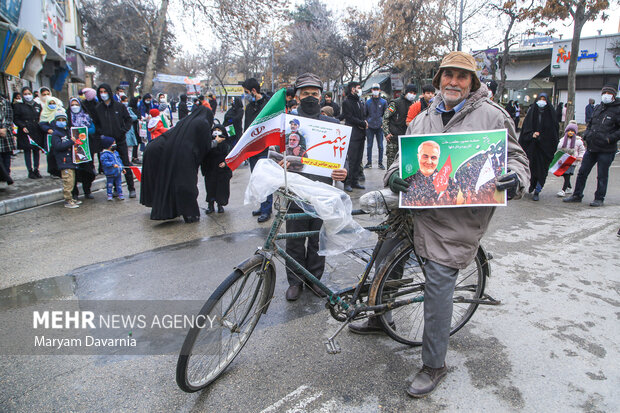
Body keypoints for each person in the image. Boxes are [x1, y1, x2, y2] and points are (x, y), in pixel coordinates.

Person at [349, 51, 529, 398]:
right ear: (439, 81)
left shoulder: (492, 116)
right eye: (448, 75)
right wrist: (394, 175)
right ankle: (378, 316)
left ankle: (434, 364)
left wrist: (515, 178)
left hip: (457, 218)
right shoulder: (423, 117)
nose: (453, 82)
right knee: (385, 260)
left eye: (462, 77)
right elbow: (401, 159)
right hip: (415, 209)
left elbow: (518, 158)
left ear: (472, 83)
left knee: (437, 288)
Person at [281, 72, 348, 301]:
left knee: (319, 237)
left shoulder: (332, 124)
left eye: (315, 93)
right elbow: (273, 153)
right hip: (295, 189)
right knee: (295, 238)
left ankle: (315, 279)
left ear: (321, 97)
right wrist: (278, 161)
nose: (311, 97)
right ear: (297, 97)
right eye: (306, 93)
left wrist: (343, 170)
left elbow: (342, 156)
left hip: (323, 190)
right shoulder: (286, 123)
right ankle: (295, 281)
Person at [139, 105, 213, 223]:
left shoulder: (185, 121)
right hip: (185, 157)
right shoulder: (203, 122)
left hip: (166, 152)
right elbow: (205, 145)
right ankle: (190, 214)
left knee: (171, 182)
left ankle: (174, 210)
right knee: (187, 186)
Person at [564, 84, 620, 207]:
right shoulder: (598, 108)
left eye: (609, 94)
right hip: (592, 147)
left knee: (602, 175)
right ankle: (577, 194)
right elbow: (590, 124)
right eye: (604, 93)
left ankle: (599, 198)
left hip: (606, 149)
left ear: (613, 96)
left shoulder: (617, 109)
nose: (606, 96)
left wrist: (610, 139)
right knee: (582, 172)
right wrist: (586, 135)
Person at [92, 83, 136, 198]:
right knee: (112, 165)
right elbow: (96, 123)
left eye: (105, 92)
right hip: (107, 143)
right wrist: (101, 134)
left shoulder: (119, 106)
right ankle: (116, 189)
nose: (103, 94)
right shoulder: (98, 108)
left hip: (120, 140)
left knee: (125, 163)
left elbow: (128, 120)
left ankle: (131, 188)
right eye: (100, 92)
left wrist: (123, 131)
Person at [519, 93, 558, 201]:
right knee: (531, 168)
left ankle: (538, 189)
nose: (541, 101)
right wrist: (532, 134)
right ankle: (532, 185)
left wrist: (543, 137)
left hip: (545, 150)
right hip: (532, 148)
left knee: (542, 170)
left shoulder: (551, 114)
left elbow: (554, 133)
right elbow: (525, 131)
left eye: (544, 99)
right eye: (540, 99)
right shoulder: (532, 113)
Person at [242, 77, 272, 222]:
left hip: (264, 149)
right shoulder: (249, 107)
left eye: (246, 92)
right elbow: (246, 128)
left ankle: (267, 209)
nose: (245, 95)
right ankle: (263, 206)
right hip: (252, 149)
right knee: (258, 180)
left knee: (265, 179)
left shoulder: (267, 105)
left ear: (254, 91)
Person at [401, 140, 458, 207]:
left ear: (438, 159)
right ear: (418, 157)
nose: (429, 162)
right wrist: (392, 174)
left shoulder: (450, 182)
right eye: (425, 156)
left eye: (433, 158)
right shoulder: (406, 182)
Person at [49, 110, 81, 208]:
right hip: (63, 161)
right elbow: (58, 146)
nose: (62, 121)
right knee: (67, 181)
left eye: (63, 119)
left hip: (70, 160)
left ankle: (71, 198)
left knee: (72, 180)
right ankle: (68, 200)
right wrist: (71, 142)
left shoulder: (67, 131)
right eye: (59, 120)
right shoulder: (56, 134)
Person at [67, 98, 97, 200]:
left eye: (77, 104)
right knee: (74, 171)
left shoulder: (86, 117)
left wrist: (83, 131)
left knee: (87, 170)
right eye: (72, 105)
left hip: (86, 148)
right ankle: (74, 192)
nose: (75, 107)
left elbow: (93, 129)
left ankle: (87, 190)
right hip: (72, 149)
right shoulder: (67, 118)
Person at [13, 87, 44, 179]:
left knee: (36, 150)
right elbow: (16, 118)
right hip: (25, 131)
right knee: (27, 150)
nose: (27, 96)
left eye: (29, 93)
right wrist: (22, 126)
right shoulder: (19, 106)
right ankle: (30, 171)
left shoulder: (37, 105)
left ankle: (36, 169)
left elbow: (41, 117)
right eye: (25, 94)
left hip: (36, 130)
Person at [383, 84, 416, 168]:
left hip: (406, 139)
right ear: (406, 92)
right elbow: (385, 118)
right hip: (393, 139)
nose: (412, 95)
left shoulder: (414, 105)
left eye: (414, 93)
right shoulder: (395, 103)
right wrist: (387, 133)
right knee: (391, 166)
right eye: (410, 92)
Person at [342, 81, 367, 192]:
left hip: (361, 134)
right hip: (352, 134)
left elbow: (363, 115)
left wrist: (364, 122)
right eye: (358, 87)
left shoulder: (359, 102)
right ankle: (347, 182)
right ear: (353, 89)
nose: (360, 89)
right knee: (351, 160)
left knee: (358, 160)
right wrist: (362, 123)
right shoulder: (347, 102)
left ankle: (355, 181)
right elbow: (349, 117)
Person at [202, 124, 232, 214]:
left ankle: (220, 205)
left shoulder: (226, 144)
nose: (217, 132)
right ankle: (210, 205)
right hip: (210, 170)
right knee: (210, 188)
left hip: (222, 171)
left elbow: (230, 155)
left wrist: (226, 163)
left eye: (219, 130)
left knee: (221, 189)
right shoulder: (209, 143)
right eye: (215, 130)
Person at [555, 121, 585, 197]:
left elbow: (582, 150)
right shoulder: (563, 139)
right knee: (564, 174)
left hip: (573, 160)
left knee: (567, 174)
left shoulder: (578, 141)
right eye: (569, 131)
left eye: (572, 131)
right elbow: (559, 147)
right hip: (564, 159)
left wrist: (580, 157)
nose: (570, 132)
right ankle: (569, 187)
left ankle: (563, 190)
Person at [365, 83, 387, 169]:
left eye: (377, 89)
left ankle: (380, 163)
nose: (375, 91)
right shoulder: (368, 102)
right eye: (374, 89)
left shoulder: (383, 102)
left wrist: (383, 124)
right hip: (370, 126)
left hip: (379, 127)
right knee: (369, 146)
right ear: (371, 90)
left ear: (379, 90)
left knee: (380, 146)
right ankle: (369, 162)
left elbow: (386, 115)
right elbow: (365, 114)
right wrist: (366, 122)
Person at [100, 136, 125, 201]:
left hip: (118, 172)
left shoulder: (116, 153)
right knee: (110, 184)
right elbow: (104, 163)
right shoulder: (104, 154)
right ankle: (109, 195)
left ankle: (120, 194)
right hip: (110, 172)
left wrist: (122, 168)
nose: (114, 145)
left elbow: (119, 161)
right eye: (113, 144)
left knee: (119, 184)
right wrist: (112, 164)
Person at [0, 93, 16, 181]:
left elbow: (9, 117)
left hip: (5, 133)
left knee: (6, 155)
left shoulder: (5, 102)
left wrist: (4, 128)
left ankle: (6, 175)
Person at [128, 96, 142, 163]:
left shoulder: (137, 109)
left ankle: (135, 156)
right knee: (133, 144)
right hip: (133, 128)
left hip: (138, 128)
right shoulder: (130, 110)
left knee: (137, 143)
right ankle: (133, 157)